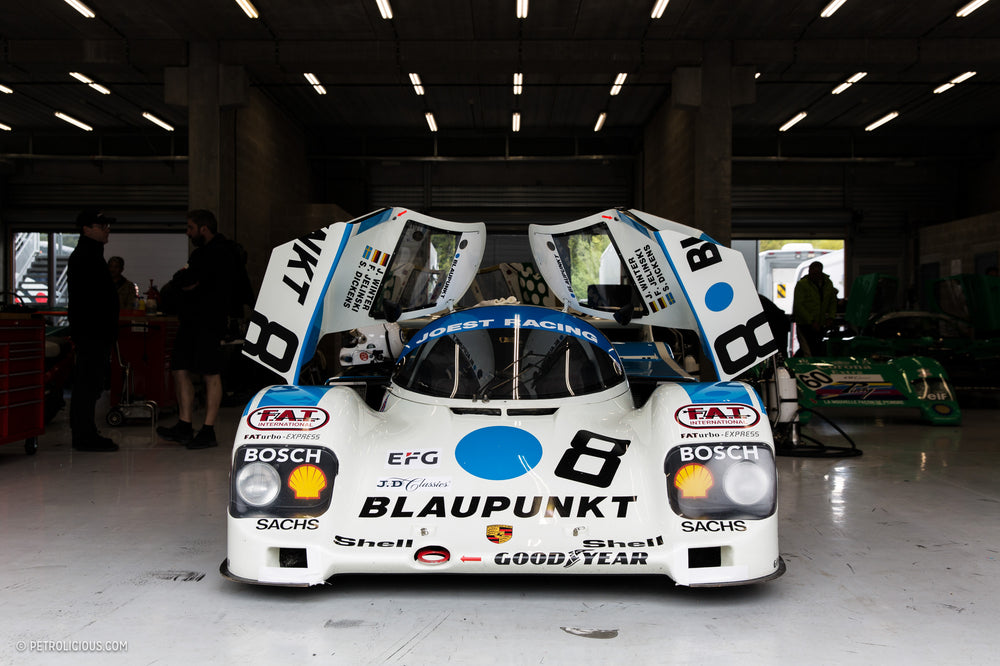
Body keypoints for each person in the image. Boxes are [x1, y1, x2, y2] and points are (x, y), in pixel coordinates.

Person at [157, 209, 239, 449]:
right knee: (179, 368)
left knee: (210, 373)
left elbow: (188, 282)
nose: (188, 233)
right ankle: (184, 424)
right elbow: (186, 281)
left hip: (210, 322)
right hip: (191, 321)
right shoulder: (202, 254)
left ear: (204, 228)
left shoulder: (221, 252)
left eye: (190, 228)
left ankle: (208, 429)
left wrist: (182, 280)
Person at [67, 209, 119, 452]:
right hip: (91, 332)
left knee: (92, 382)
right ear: (86, 229)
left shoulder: (93, 254)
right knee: (88, 383)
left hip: (95, 332)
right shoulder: (84, 256)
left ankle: (85, 431)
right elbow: (88, 300)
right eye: (101, 225)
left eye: (107, 225)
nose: (106, 229)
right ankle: (83, 434)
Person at [792, 261, 837, 356]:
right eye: (812, 272)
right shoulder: (802, 284)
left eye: (816, 273)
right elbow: (799, 306)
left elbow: (832, 302)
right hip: (804, 325)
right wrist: (811, 321)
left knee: (815, 350)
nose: (813, 275)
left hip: (820, 324)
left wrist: (831, 317)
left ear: (821, 272)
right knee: (807, 351)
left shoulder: (828, 283)